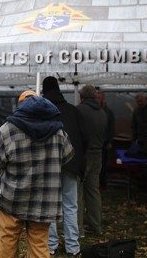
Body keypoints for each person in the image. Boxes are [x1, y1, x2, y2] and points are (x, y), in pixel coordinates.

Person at [0, 91, 74, 258]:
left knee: (8, 242)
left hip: (13, 199)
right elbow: (67, 157)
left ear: (20, 106)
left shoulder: (7, 130)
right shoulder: (58, 132)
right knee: (39, 244)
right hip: (45, 201)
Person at [42, 76, 85, 257]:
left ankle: (51, 246)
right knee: (71, 206)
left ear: (44, 91)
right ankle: (72, 248)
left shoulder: (43, 112)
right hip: (72, 164)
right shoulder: (73, 111)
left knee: (50, 206)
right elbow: (85, 138)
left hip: (49, 165)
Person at [76, 85, 107, 236]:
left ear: (82, 97)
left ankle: (78, 228)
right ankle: (96, 226)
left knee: (78, 192)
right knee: (93, 191)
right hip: (98, 154)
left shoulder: (80, 111)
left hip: (84, 156)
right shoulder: (102, 112)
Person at [96, 89, 115, 187]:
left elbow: (111, 127)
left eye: (99, 98)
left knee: (104, 162)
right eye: (96, 98)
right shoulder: (94, 111)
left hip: (104, 141)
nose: (97, 100)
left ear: (103, 99)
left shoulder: (108, 112)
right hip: (95, 142)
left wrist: (109, 141)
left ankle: (103, 182)